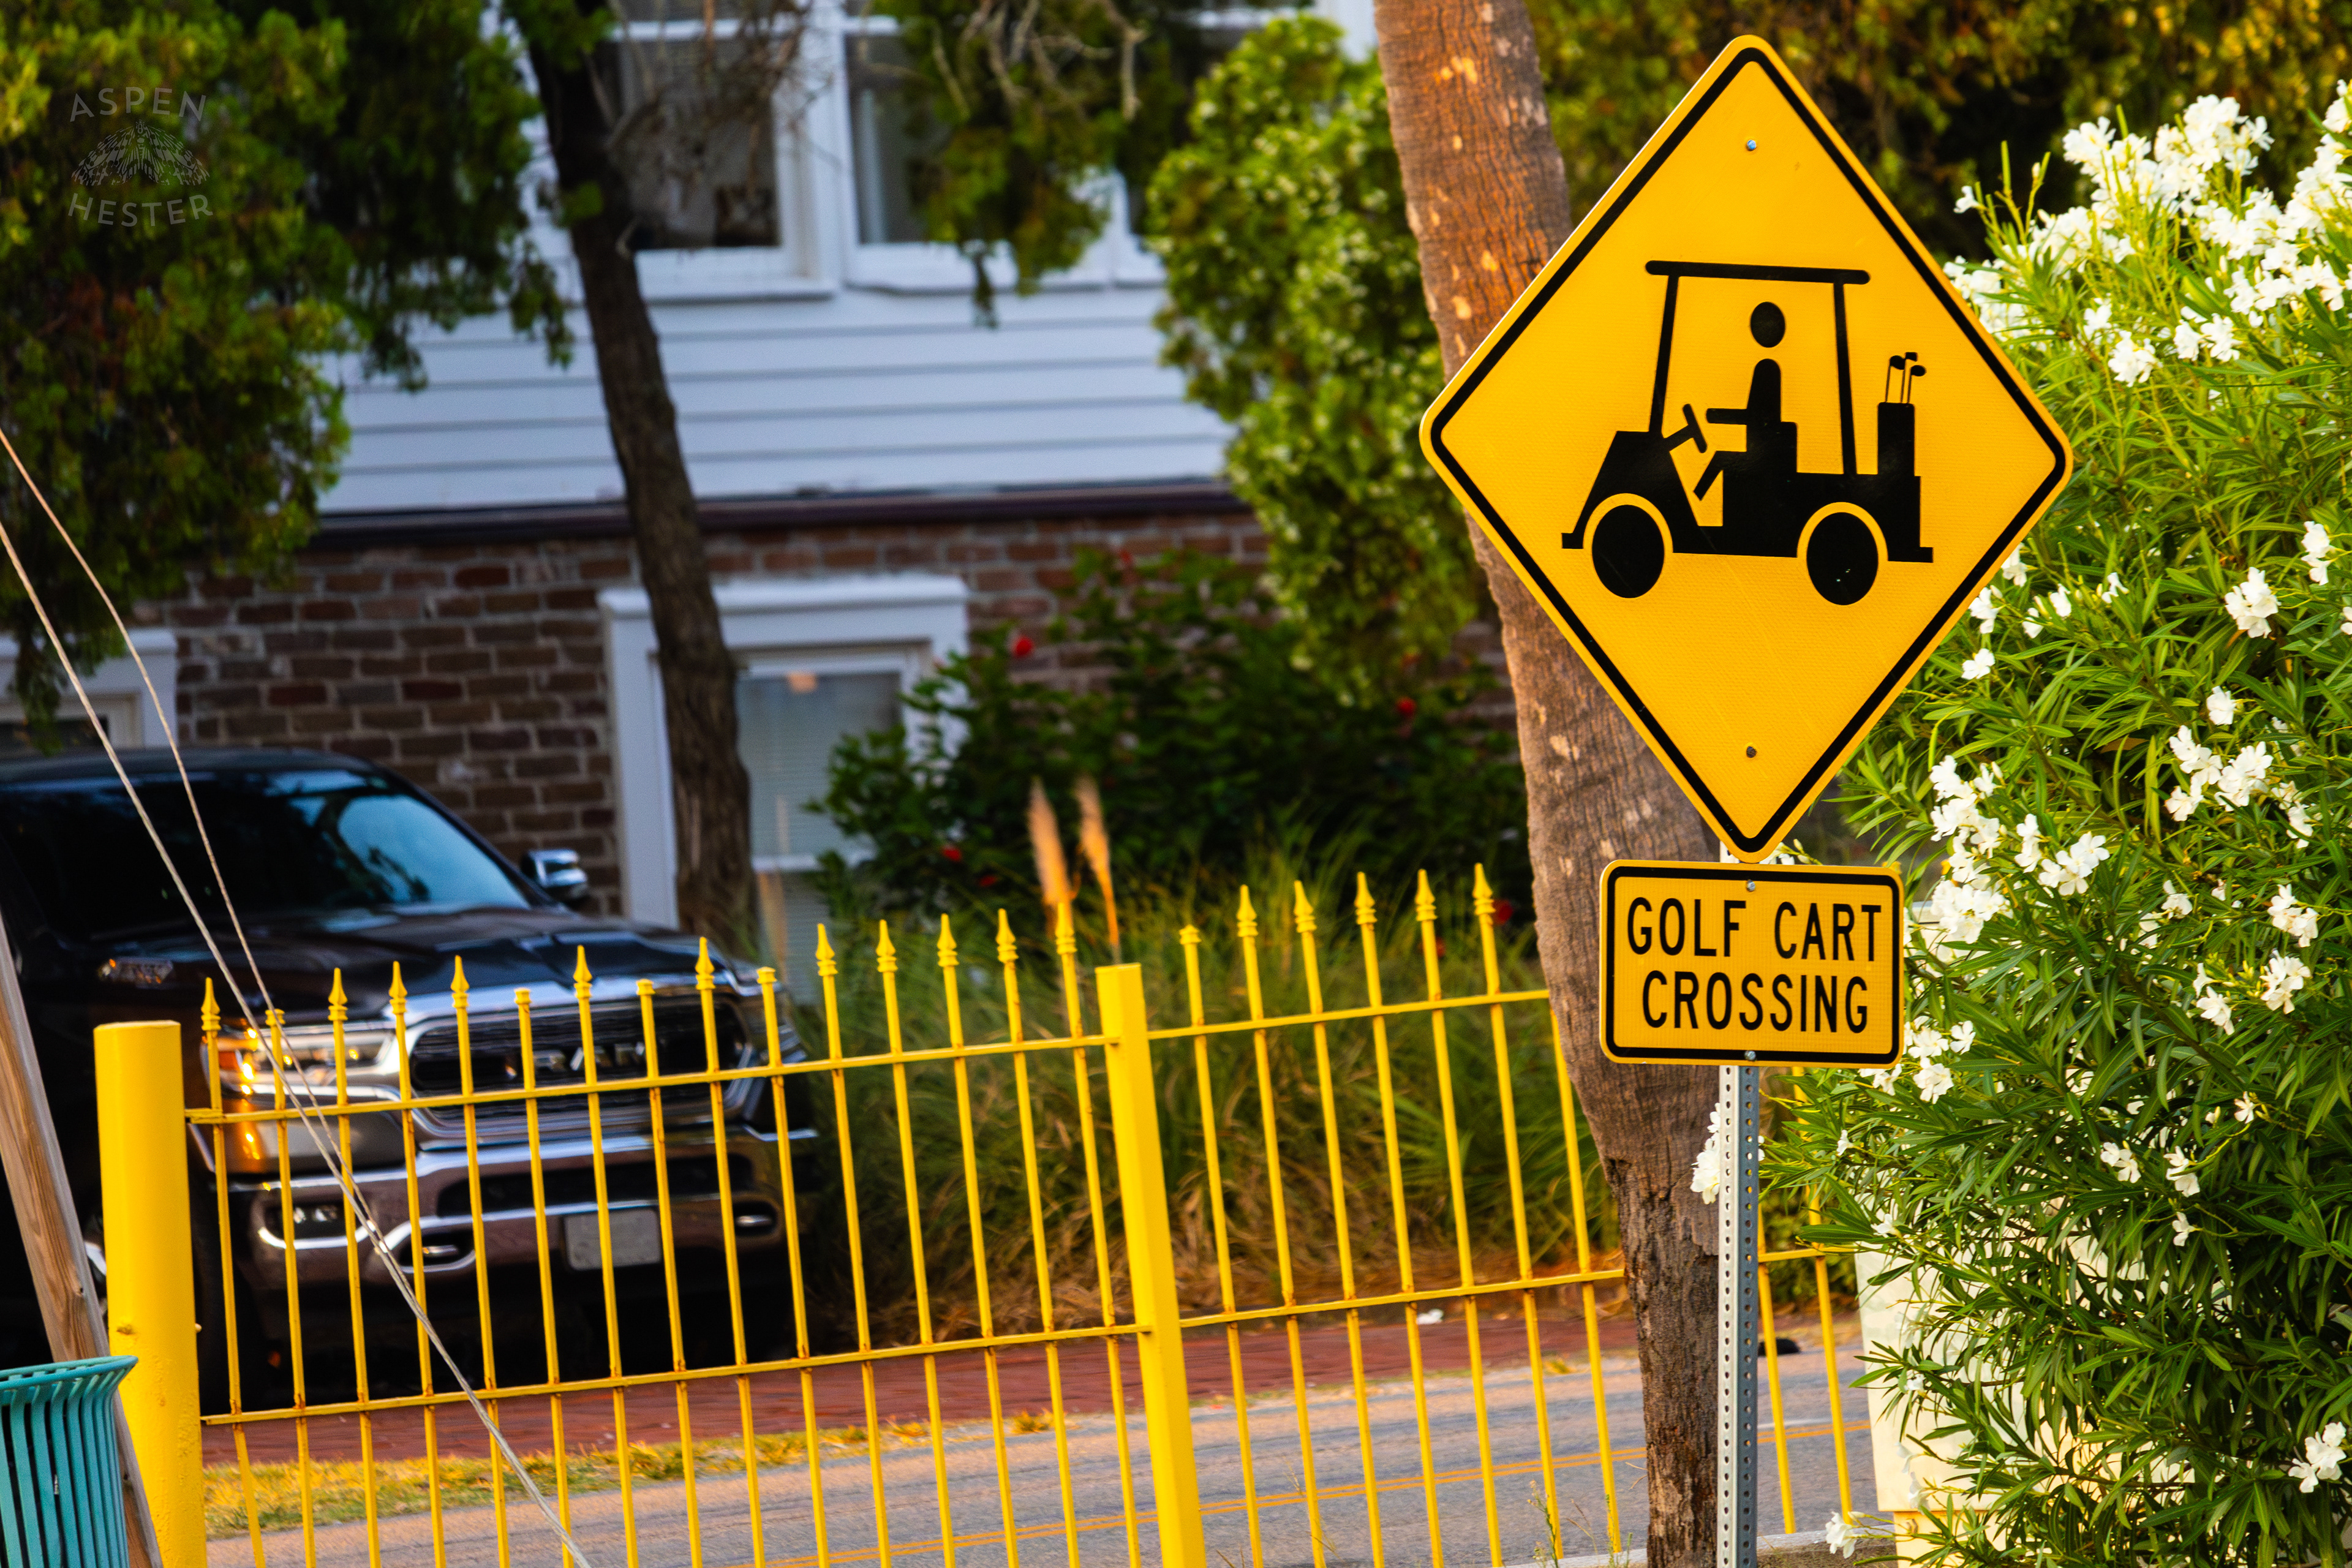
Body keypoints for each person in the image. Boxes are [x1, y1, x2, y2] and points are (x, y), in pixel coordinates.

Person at [1697, 301, 1796, 499]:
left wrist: (1718, 415)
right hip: (1759, 441)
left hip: (1764, 446)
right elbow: (1755, 414)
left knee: (1720, 458)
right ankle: (1698, 500)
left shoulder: (1768, 368)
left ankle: (1696, 499)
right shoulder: (1766, 366)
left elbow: (1759, 415)